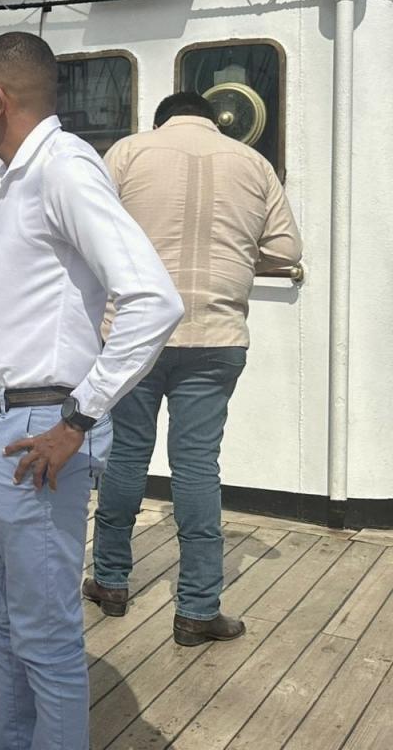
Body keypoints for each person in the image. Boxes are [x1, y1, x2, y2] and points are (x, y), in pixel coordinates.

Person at [0, 32, 182, 750]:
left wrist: (79, 418)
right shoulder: (17, 177)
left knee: (44, 631)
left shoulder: (64, 170)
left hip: (36, 433)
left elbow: (153, 299)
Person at [85, 91, 302, 645]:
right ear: (213, 121)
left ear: (160, 121)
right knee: (198, 465)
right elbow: (285, 249)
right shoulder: (254, 163)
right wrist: (236, 255)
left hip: (136, 334)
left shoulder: (129, 152)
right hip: (216, 334)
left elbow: (91, 233)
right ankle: (198, 610)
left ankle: (110, 582)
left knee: (126, 454)